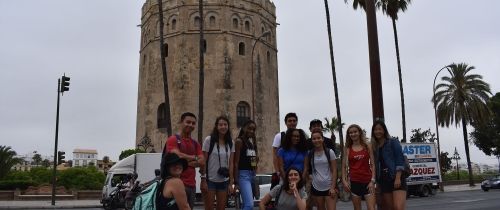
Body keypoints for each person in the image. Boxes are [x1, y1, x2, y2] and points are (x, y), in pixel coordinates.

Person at [164, 112, 205, 209]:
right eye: (188, 122)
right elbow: (176, 155)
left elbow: (203, 161)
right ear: (181, 122)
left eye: (193, 123)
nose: (191, 125)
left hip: (192, 186)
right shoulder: (173, 139)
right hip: (176, 184)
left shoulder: (195, 144)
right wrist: (194, 158)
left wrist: (184, 161)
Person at [201, 116, 235, 210]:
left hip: (224, 181)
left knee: (221, 208)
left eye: (225, 124)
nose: (223, 127)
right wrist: (203, 180)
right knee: (209, 208)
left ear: (228, 126)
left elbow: (231, 163)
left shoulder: (230, 142)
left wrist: (230, 183)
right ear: (216, 126)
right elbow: (203, 161)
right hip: (210, 180)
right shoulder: (209, 140)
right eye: (220, 124)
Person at [371, 121, 406, 210]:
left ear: (384, 130)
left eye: (380, 129)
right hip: (383, 180)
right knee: (390, 207)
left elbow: (399, 159)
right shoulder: (375, 147)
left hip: (396, 177)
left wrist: (398, 177)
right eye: (375, 130)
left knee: (398, 207)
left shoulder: (393, 142)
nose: (377, 131)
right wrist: (377, 182)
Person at [341, 124, 376, 210]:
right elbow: (344, 166)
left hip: (368, 181)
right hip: (354, 182)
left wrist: (372, 181)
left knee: (371, 208)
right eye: (351, 133)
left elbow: (372, 164)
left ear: (359, 132)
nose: (353, 134)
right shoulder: (348, 149)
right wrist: (344, 180)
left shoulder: (368, 146)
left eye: (355, 132)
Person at [303, 130, 337, 210]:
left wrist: (333, 187)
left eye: (319, 138)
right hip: (316, 187)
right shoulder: (310, 153)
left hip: (329, 187)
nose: (316, 140)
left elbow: (334, 170)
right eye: (314, 139)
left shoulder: (330, 152)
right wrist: (308, 178)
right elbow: (306, 168)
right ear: (311, 140)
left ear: (323, 139)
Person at [234, 120, 258, 210]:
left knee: (246, 205)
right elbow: (236, 162)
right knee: (249, 205)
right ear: (244, 128)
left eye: (253, 129)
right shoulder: (239, 141)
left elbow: (254, 162)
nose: (251, 131)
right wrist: (236, 182)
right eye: (249, 128)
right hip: (243, 175)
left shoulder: (250, 144)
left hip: (252, 174)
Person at [272, 113, 298, 187]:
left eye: (294, 121)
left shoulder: (300, 136)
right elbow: (275, 155)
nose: (292, 123)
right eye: (290, 121)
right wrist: (277, 172)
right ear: (286, 123)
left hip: (299, 173)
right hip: (284, 173)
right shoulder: (279, 136)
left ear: (296, 122)